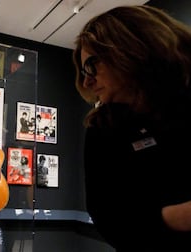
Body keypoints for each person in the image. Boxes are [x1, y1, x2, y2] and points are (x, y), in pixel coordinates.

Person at [72, 5, 191, 251]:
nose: (86, 81)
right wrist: (178, 216)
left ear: (130, 49)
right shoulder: (103, 127)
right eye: (83, 71)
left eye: (91, 65)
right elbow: (112, 220)